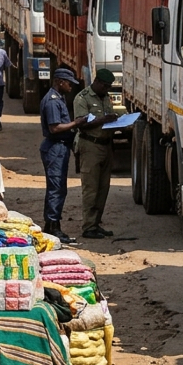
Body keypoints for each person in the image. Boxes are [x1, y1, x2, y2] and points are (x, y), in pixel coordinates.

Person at [39, 68, 88, 244]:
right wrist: (76, 123)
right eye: (69, 83)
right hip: (55, 148)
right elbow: (54, 128)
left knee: (58, 188)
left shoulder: (58, 98)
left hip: (59, 148)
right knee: (56, 188)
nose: (71, 87)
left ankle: (51, 225)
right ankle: (53, 227)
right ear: (60, 82)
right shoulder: (53, 101)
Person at [73, 69, 120, 239]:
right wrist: (103, 120)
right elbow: (80, 123)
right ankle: (88, 226)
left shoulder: (105, 97)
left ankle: (96, 223)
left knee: (103, 188)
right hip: (90, 146)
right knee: (91, 188)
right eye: (105, 86)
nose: (107, 90)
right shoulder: (83, 97)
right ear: (98, 82)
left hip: (106, 146)